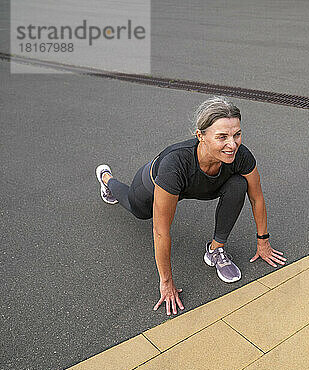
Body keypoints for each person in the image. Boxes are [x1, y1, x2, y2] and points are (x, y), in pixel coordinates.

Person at [95, 96, 286, 316]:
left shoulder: (240, 156)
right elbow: (160, 231)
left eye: (237, 135)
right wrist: (166, 283)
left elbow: (257, 198)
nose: (232, 144)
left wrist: (263, 243)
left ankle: (216, 250)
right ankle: (107, 179)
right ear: (201, 136)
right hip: (155, 183)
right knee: (139, 211)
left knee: (238, 184)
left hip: (203, 185)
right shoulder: (174, 165)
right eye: (222, 137)